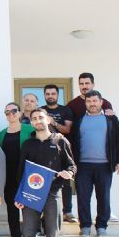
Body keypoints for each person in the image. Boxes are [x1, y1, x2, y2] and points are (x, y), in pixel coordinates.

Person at [12, 108, 76, 237]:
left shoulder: (60, 141)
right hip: (31, 195)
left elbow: (71, 166)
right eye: (34, 118)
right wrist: (20, 196)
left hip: (53, 194)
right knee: (27, 236)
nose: (38, 120)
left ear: (48, 119)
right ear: (31, 122)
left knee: (53, 236)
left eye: (41, 117)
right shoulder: (27, 144)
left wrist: (69, 173)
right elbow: (21, 172)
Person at [71, 90, 119, 237]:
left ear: (101, 102)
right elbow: (73, 143)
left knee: (103, 197)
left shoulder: (111, 120)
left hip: (105, 165)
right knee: (83, 198)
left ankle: (101, 226)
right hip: (82, 165)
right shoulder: (79, 120)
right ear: (85, 103)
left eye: (95, 101)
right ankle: (85, 226)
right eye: (89, 101)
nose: (92, 104)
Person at [0, 102, 35, 237]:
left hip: (26, 174)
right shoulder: (1, 134)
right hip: (8, 176)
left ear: (19, 113)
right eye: (7, 112)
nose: (10, 114)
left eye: (13, 110)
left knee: (28, 210)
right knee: (12, 209)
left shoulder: (29, 129)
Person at [42, 85, 77, 223]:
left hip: (62, 148)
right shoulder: (41, 110)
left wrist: (53, 122)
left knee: (66, 181)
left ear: (57, 95)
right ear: (44, 95)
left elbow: (67, 129)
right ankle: (44, 213)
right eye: (48, 94)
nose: (50, 96)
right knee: (46, 181)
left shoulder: (65, 110)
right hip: (45, 149)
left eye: (53, 93)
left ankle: (67, 211)